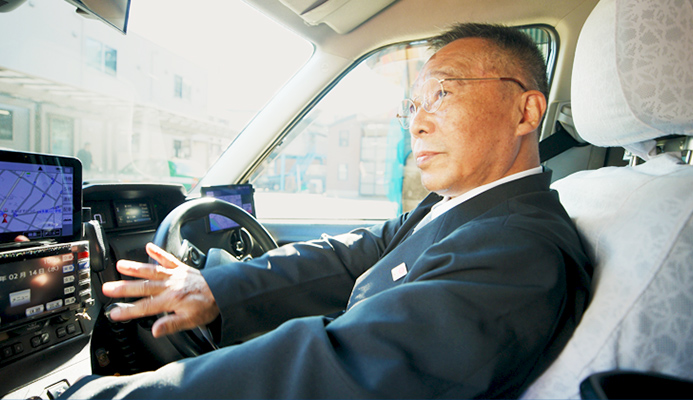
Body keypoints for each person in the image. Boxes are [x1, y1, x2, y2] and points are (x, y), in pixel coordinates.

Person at [60, 23, 592, 399]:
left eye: (444, 93)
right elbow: (351, 256)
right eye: (414, 104)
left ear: (526, 111)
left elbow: (346, 367)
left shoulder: (520, 251)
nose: (418, 122)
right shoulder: (463, 210)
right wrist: (217, 288)